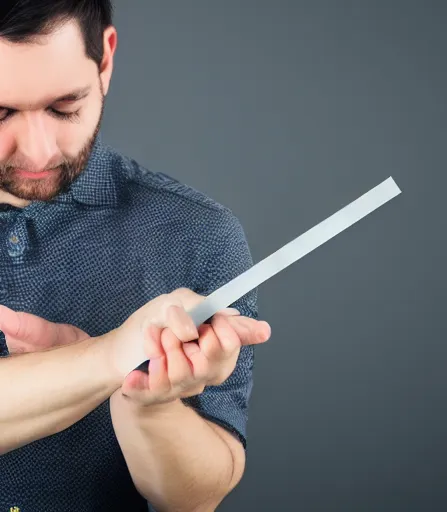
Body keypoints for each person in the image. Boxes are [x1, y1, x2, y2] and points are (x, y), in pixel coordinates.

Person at [0, 1, 271, 511]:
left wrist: (148, 400)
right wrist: (112, 354)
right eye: (0, 113)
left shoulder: (196, 234)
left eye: (65, 107)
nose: (37, 152)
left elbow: (197, 498)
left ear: (104, 59)